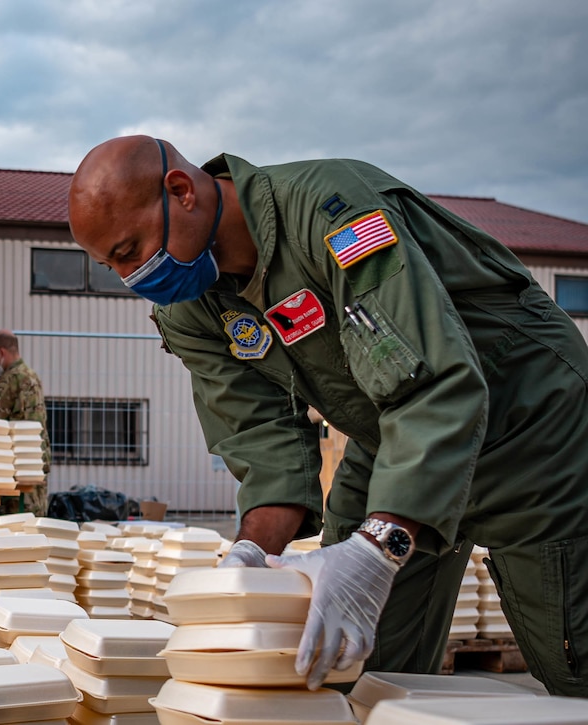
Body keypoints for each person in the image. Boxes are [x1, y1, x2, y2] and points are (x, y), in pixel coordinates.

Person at [67, 135, 588, 698]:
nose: (132, 278)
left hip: (531, 421)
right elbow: (260, 435)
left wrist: (377, 547)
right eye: (111, 266)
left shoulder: (333, 214)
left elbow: (433, 382)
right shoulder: (192, 306)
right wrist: (251, 556)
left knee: (571, 659)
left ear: (180, 191)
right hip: (387, 429)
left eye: (129, 251)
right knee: (351, 663)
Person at [0, 330, 51, 517]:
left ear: (1, 353)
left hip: (17, 463)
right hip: (36, 460)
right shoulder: (31, 375)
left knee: (12, 524)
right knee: (35, 520)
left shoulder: (11, 379)